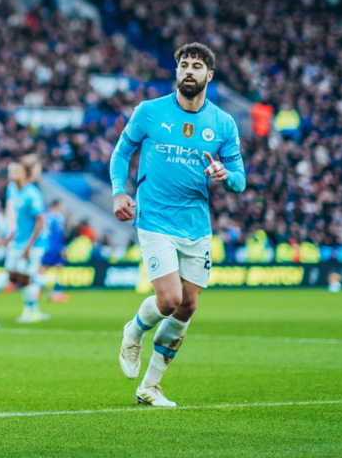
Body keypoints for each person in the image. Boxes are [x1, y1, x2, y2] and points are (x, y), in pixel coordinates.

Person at [110, 42, 245, 408]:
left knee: (188, 306)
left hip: (196, 225)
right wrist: (118, 192)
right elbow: (122, 152)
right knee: (169, 299)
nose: (189, 70)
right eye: (184, 64)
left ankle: (150, 386)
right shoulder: (149, 112)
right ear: (176, 71)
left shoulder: (222, 123)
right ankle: (133, 331)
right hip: (154, 218)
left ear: (209, 75)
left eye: (197, 66)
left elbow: (240, 180)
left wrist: (224, 174)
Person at [0, 157, 48, 323]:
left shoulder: (32, 194)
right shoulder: (12, 189)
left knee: (25, 276)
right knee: (13, 275)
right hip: (18, 240)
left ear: (25, 174)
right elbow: (14, 216)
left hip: (34, 242)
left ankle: (30, 311)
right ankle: (32, 309)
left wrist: (28, 247)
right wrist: (9, 235)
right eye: (11, 171)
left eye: (16, 171)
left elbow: (40, 223)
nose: (12, 174)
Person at [34, 200, 70, 303]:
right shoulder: (57, 217)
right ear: (56, 205)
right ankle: (41, 291)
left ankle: (52, 292)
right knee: (46, 268)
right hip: (53, 246)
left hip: (48, 245)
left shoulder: (45, 215)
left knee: (53, 267)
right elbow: (60, 233)